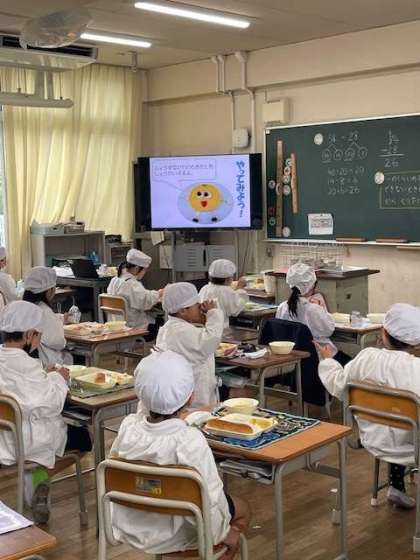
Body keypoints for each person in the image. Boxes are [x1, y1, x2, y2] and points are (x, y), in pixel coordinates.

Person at [110, 350, 250, 559]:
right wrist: (223, 532)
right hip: (178, 534)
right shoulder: (190, 441)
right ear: (190, 397)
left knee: (157, 486)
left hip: (132, 525)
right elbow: (210, 498)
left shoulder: (128, 427)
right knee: (243, 509)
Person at [317, 303, 420, 509]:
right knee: (405, 425)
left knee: (396, 421)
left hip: (371, 438)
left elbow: (338, 385)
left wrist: (329, 361)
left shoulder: (366, 357)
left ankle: (396, 486)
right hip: (412, 448)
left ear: (383, 332)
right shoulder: (415, 369)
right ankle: (396, 485)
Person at [0, 301, 92, 522]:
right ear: (29, 334)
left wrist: (45, 374)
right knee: (84, 439)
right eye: (38, 335)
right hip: (28, 440)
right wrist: (59, 379)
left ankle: (35, 474)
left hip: (3, 438)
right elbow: (48, 403)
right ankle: (39, 474)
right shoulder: (28, 366)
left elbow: (20, 388)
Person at [156, 282, 224, 408]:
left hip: (182, 390)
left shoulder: (171, 328)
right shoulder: (181, 332)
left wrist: (204, 318)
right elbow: (211, 339)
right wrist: (213, 312)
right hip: (193, 396)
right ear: (182, 311)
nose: (200, 307)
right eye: (196, 305)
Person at [276, 262, 350, 366]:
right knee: (351, 363)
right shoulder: (314, 309)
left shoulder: (282, 307)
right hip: (320, 357)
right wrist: (321, 309)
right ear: (313, 285)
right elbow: (329, 330)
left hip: (294, 359)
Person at [23, 266, 72, 368]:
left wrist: (61, 318)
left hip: (27, 362)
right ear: (49, 290)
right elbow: (58, 342)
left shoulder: (23, 308)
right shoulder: (45, 311)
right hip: (47, 363)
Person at [107, 248, 164, 337]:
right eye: (144, 270)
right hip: (133, 329)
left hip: (116, 327)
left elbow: (139, 296)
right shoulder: (131, 284)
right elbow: (145, 301)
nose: (144, 273)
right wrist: (160, 293)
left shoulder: (115, 280)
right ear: (137, 268)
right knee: (162, 324)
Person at [199, 259, 249, 329]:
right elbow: (236, 309)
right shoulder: (226, 291)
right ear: (228, 279)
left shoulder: (205, 288)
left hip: (204, 327)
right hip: (221, 329)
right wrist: (240, 288)